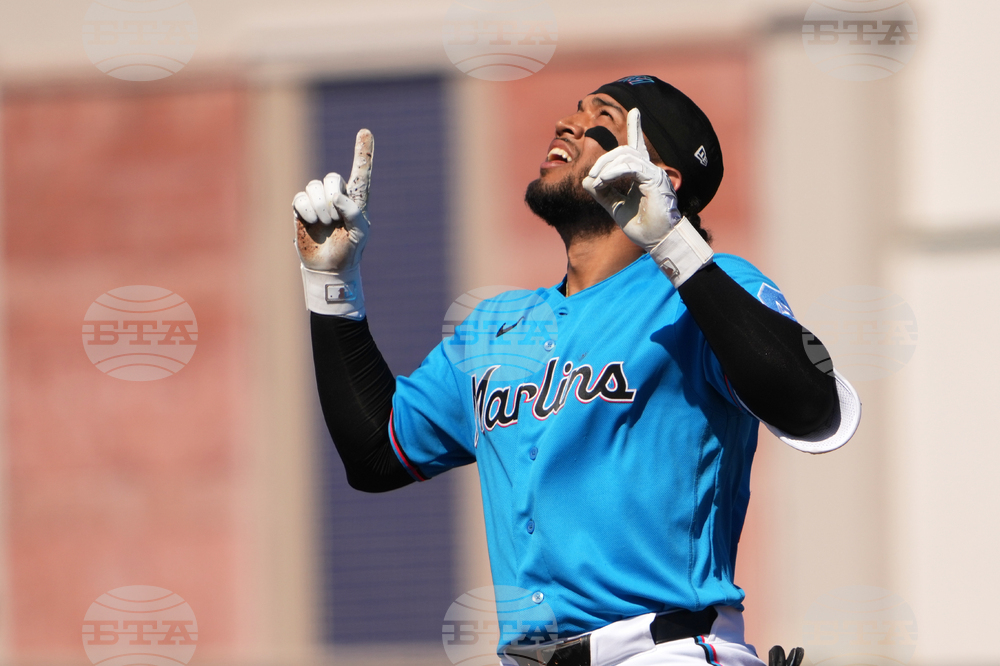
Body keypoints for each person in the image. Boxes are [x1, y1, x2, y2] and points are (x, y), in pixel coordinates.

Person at [292, 75, 860, 666]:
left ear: (660, 178)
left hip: (664, 651)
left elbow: (814, 408)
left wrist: (675, 244)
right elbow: (375, 453)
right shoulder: (496, 326)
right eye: (573, 110)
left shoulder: (706, 290)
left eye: (601, 119)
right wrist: (332, 284)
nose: (567, 123)